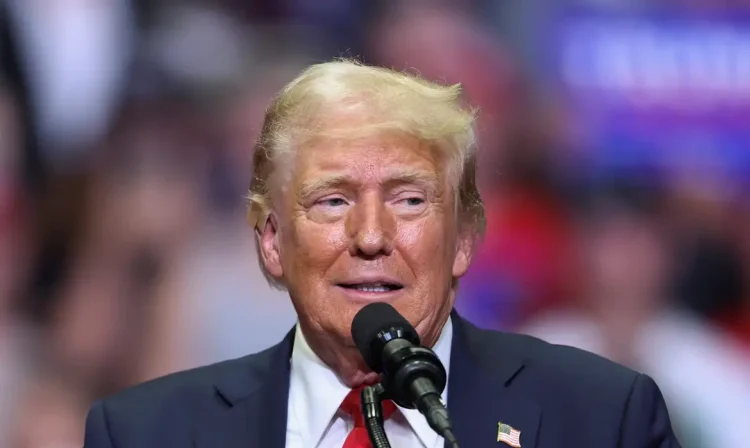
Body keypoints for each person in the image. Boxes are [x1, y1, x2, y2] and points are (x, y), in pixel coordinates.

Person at [83, 59, 681, 448]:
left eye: (410, 199)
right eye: (333, 201)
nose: (371, 236)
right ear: (271, 241)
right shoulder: (144, 435)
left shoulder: (604, 420)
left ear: (465, 237)